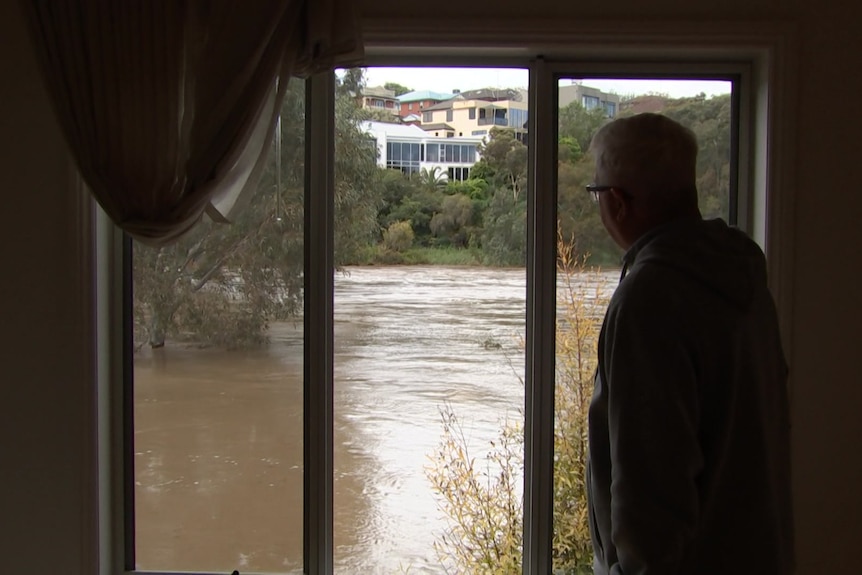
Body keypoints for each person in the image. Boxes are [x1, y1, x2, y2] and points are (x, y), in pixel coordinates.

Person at [585, 113, 795, 574]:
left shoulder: (651, 297)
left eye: (596, 193)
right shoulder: (743, 277)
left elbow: (651, 494)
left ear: (617, 201)